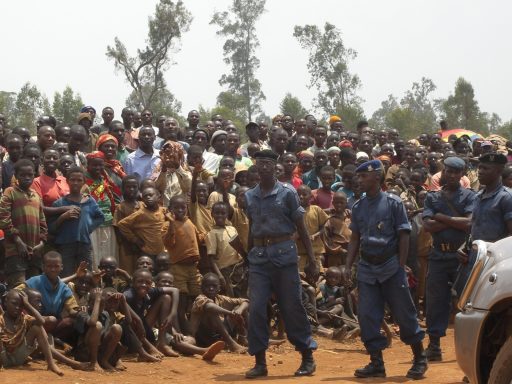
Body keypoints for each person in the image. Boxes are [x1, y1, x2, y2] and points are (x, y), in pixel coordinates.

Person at [345, 159, 427, 379]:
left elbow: (404, 235)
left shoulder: (393, 203)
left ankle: (419, 358)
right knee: (367, 315)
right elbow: (354, 238)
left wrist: (400, 265)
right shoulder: (358, 206)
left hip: (390, 266)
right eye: (358, 176)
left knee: (404, 313)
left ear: (377, 177)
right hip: (367, 267)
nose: (359, 180)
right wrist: (348, 266)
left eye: (363, 176)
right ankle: (376, 363)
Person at [244, 149, 318, 378]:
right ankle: (259, 361)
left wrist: (312, 260)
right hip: (258, 257)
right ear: (256, 166)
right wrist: (247, 258)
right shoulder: (249, 196)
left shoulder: (287, 193)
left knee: (291, 306)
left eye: (268, 163)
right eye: (260, 163)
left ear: (274, 167)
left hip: (284, 254)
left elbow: (301, 228)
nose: (264, 167)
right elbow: (251, 228)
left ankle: (307, 356)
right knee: (256, 308)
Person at [422, 157, 475, 361]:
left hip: (462, 256)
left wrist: (441, 218)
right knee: (436, 301)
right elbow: (428, 226)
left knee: (466, 302)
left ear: (462, 174)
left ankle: (469, 351)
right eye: (449, 171)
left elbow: (469, 223)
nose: (452, 175)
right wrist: (456, 222)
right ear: (443, 172)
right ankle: (434, 346)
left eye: (456, 172)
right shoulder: (432, 197)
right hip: (438, 255)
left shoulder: (470, 196)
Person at [456, 152, 512, 293]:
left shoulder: (506, 198)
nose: (480, 171)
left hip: (495, 263)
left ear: (499, 171)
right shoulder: (478, 196)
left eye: (485, 168)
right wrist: (464, 246)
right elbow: (475, 227)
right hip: (474, 260)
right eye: (479, 168)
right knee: (462, 300)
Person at [0, 159, 47, 288]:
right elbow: (4, 218)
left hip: (35, 250)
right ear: (16, 176)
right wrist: (18, 241)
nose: (27, 178)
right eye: (23, 175)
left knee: (34, 288)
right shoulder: (10, 192)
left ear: (34, 175)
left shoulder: (36, 195)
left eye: (30, 175)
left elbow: (42, 222)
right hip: (16, 250)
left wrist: (42, 243)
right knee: (18, 287)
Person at [51, 166, 105, 277]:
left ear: (84, 182)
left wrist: (88, 226)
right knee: (66, 275)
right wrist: (63, 217)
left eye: (79, 180)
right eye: (72, 180)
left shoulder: (89, 201)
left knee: (86, 275)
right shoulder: (59, 203)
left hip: (84, 244)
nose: (75, 183)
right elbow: (51, 228)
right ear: (67, 181)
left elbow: (101, 217)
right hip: (66, 245)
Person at [163, 194, 204, 333]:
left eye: (183, 207)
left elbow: (198, 237)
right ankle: (179, 332)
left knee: (197, 297)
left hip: (193, 268)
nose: (180, 210)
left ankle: (193, 331)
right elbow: (168, 242)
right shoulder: (167, 224)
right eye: (176, 208)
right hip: (178, 267)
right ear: (170, 209)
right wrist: (171, 224)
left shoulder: (189, 222)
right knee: (181, 301)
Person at [0, 289, 63, 375]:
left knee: (37, 328)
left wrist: (28, 304)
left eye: (21, 306)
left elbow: (41, 321)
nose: (17, 308)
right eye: (14, 303)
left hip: (19, 356)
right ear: (5, 302)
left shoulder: (24, 318)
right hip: (3, 358)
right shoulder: (1, 320)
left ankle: (51, 364)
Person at [189, 273, 248, 352]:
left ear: (219, 288)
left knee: (239, 308)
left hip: (219, 334)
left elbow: (245, 301)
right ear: (202, 288)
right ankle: (232, 344)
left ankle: (244, 337)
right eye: (207, 286)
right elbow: (209, 306)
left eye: (214, 286)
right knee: (212, 312)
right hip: (204, 337)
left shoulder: (220, 298)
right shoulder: (200, 298)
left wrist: (239, 310)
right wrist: (231, 313)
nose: (211, 288)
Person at [116, 186, 167, 259]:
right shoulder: (141, 213)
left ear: (159, 197)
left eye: (151, 195)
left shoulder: (163, 211)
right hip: (147, 251)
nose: (148, 197)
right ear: (143, 199)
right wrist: (135, 239)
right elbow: (122, 224)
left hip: (162, 251)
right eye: (145, 196)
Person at [206, 202, 244, 297]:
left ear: (227, 214)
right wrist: (220, 275)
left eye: (223, 213)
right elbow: (211, 258)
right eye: (217, 213)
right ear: (212, 214)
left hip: (238, 266)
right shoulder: (212, 233)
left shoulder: (232, 228)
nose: (220, 215)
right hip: (225, 270)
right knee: (230, 296)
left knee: (241, 293)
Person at [113, 175, 141, 274]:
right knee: (127, 270)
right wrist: (124, 242)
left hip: (141, 244)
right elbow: (117, 227)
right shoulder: (121, 207)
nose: (131, 189)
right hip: (126, 246)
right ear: (123, 189)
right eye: (128, 187)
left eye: (134, 187)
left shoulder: (142, 206)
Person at [96, 134, 126, 204]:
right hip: (103, 206)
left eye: (113, 146)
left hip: (120, 205)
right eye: (106, 146)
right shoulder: (95, 166)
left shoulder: (118, 166)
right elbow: (94, 190)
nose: (110, 148)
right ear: (99, 148)